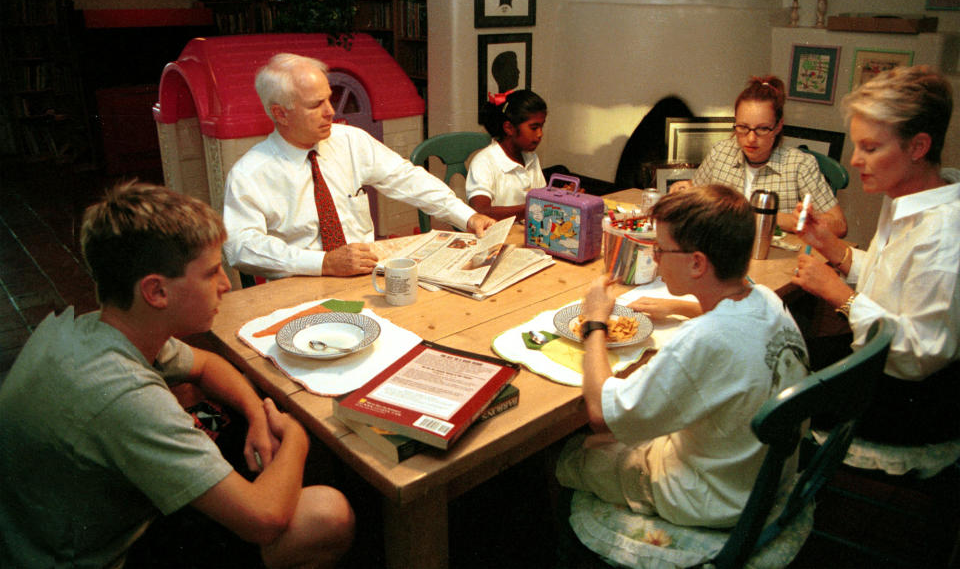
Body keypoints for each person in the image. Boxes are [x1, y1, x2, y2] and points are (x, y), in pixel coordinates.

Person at [0, 182, 354, 569]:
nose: (224, 285)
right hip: (100, 555)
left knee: (236, 417)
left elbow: (207, 365)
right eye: (211, 273)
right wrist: (298, 437)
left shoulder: (99, 328)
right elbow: (264, 521)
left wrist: (255, 413)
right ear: (156, 292)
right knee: (326, 514)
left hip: (65, 519)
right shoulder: (124, 395)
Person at [556, 185, 809, 528]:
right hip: (757, 473)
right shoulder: (767, 299)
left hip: (715, 498)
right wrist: (679, 306)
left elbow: (601, 412)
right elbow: (730, 320)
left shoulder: (703, 339)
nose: (656, 258)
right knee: (614, 437)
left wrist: (596, 321)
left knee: (574, 451)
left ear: (697, 262)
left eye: (661, 250)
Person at [793, 65, 960, 445]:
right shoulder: (906, 196)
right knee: (780, 356)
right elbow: (895, 280)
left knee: (770, 382)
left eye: (870, 148)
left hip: (912, 399)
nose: (854, 160)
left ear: (918, 147)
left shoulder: (944, 233)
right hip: (877, 361)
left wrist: (841, 296)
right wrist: (832, 247)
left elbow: (919, 353)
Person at [223, 53, 495, 279]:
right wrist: (323, 263)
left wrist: (466, 216)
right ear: (280, 113)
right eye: (316, 105)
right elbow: (241, 248)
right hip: (301, 285)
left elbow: (407, 179)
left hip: (366, 279)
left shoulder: (350, 141)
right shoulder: (250, 173)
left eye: (329, 98)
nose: (331, 111)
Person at [693, 75, 847, 236]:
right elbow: (694, 195)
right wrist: (684, 189)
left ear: (778, 126)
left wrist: (769, 217)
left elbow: (840, 226)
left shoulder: (800, 164)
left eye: (762, 129)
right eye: (743, 127)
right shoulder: (720, 153)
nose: (751, 138)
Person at [467, 89, 548, 221]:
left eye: (541, 127)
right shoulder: (484, 162)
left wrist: (564, 198)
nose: (540, 134)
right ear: (509, 128)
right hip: (496, 237)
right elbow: (480, 211)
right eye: (534, 128)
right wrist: (531, 208)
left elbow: (542, 199)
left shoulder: (531, 157)